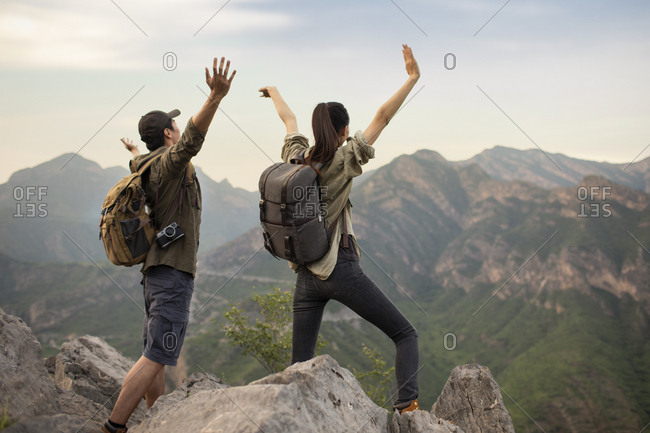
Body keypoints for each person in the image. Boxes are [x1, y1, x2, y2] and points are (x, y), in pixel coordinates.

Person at [259, 44, 421, 413]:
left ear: (318, 129)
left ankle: (290, 418)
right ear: (345, 130)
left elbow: (289, 121)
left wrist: (273, 92)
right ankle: (407, 409)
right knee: (405, 334)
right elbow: (381, 117)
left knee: (298, 367)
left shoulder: (296, 159)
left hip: (305, 277)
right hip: (341, 269)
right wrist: (411, 78)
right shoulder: (344, 158)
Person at [101, 56, 236, 433]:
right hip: (172, 274)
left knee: (156, 356)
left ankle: (158, 423)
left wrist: (133, 150)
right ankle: (113, 426)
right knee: (157, 355)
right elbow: (193, 138)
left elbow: (138, 161)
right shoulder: (171, 163)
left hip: (154, 274)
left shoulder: (145, 164)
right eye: (173, 124)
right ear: (167, 134)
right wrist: (215, 97)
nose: (178, 128)